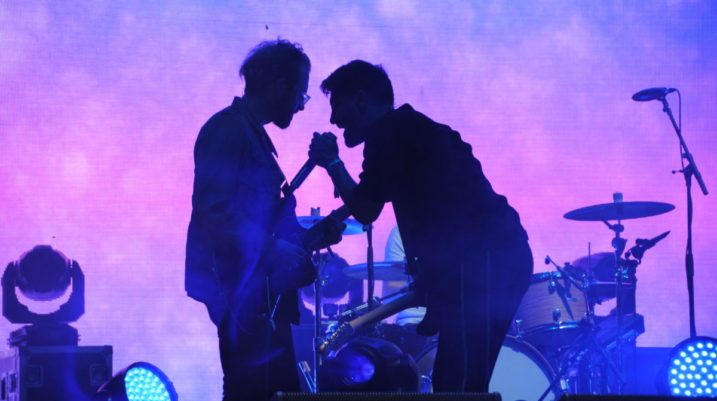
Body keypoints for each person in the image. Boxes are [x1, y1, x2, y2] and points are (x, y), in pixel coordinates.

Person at [308, 60, 533, 392]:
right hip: (492, 259)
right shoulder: (405, 129)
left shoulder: (389, 132)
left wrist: (331, 161)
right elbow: (377, 195)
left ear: (361, 100)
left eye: (337, 106)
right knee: (458, 380)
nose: (333, 120)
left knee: (461, 384)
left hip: (484, 260)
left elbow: (366, 208)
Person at [185, 39, 343, 401]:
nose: (300, 106)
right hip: (242, 297)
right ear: (280, 86)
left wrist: (313, 237)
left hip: (262, 298)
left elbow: (258, 223)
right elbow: (214, 212)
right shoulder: (227, 130)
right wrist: (273, 247)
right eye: (301, 95)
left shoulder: (248, 134)